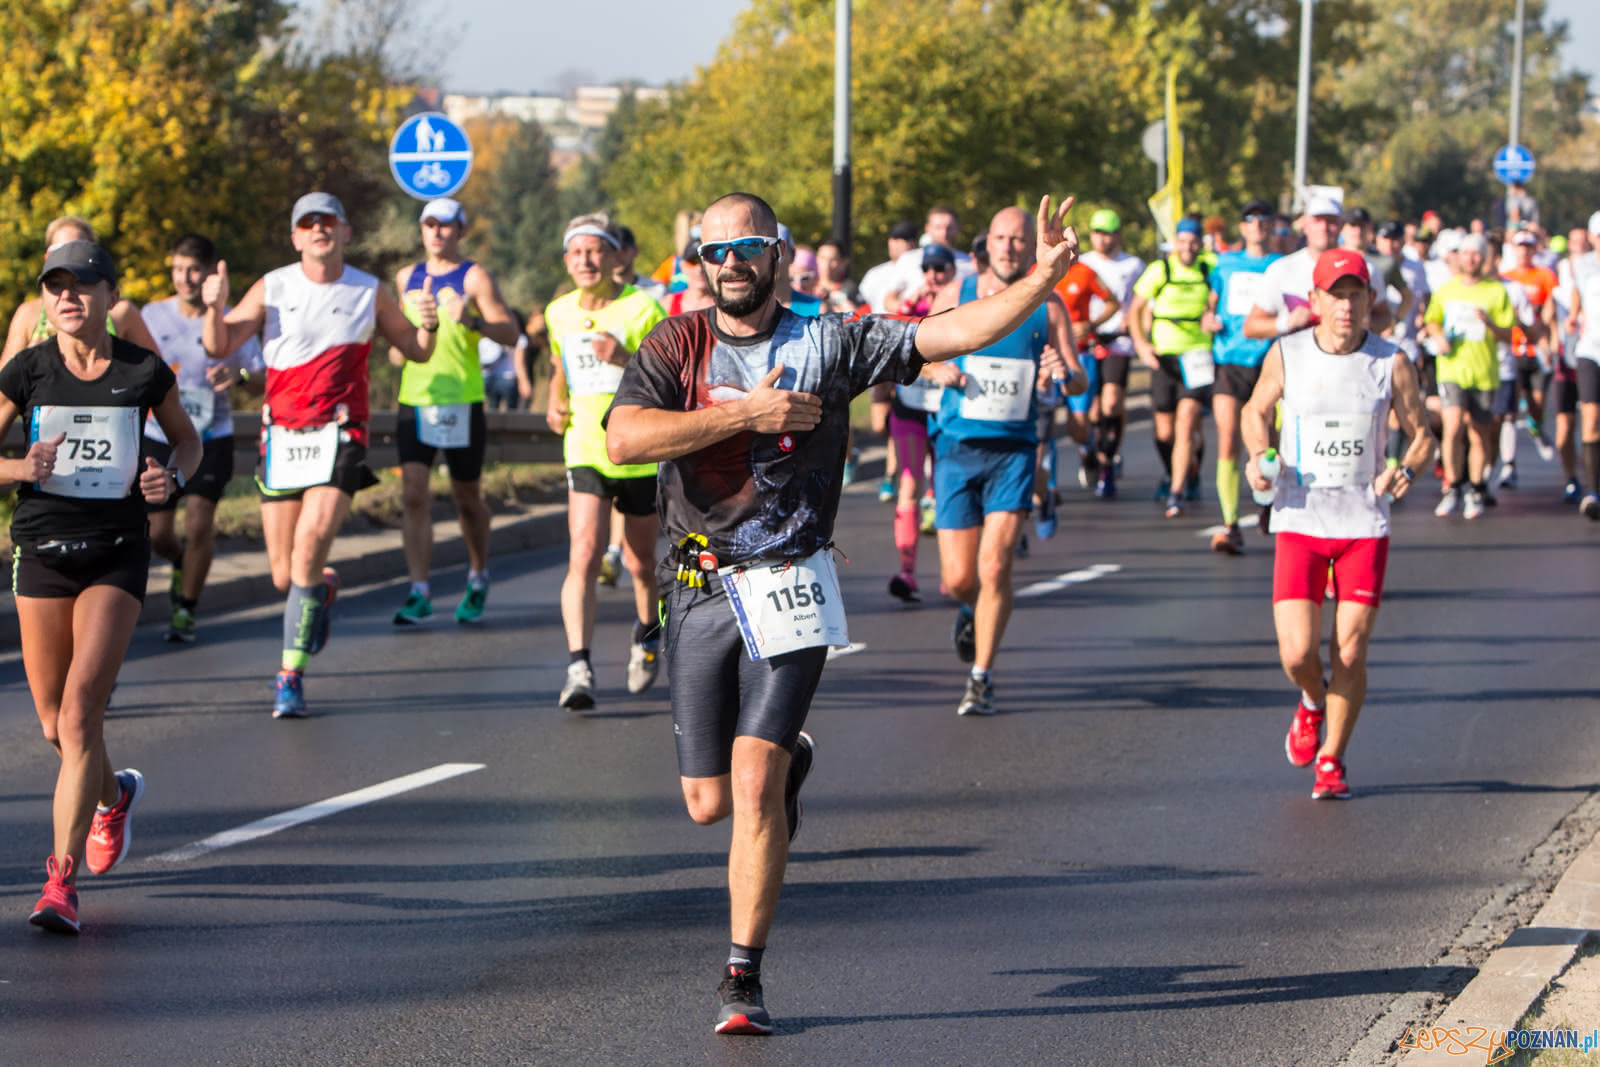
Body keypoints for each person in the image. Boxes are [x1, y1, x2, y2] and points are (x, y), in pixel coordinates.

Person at [604, 189, 1084, 1036]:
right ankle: (792, 764)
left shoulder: (830, 338)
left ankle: (741, 977)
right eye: (716, 252)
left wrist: (1042, 280)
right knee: (706, 803)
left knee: (753, 781)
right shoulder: (676, 341)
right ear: (698, 264)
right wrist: (750, 412)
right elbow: (625, 439)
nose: (732, 264)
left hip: (791, 576)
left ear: (778, 255)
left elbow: (953, 331)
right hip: (697, 579)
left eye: (749, 247)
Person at [2, 241, 201, 933]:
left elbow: (188, 440)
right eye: (55, 286)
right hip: (43, 551)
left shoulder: (141, 370)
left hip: (115, 551)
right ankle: (114, 793)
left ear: (106, 295)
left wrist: (167, 476)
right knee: (55, 724)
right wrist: (20, 466)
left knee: (83, 713)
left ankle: (60, 884)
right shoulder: (27, 369)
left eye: (80, 285)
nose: (66, 298)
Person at [201, 192, 439, 717]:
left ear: (345, 232)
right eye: (307, 224)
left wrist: (428, 323)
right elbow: (219, 346)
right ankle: (320, 592)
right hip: (281, 436)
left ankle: (290, 675)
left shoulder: (369, 291)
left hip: (340, 434)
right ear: (295, 236)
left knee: (310, 547)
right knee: (285, 576)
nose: (318, 231)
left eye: (327, 222)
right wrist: (214, 306)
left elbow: (418, 351)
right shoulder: (274, 285)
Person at [1241, 249, 1436, 799]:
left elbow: (1421, 434)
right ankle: (1310, 701)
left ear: (1370, 300)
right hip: (1300, 519)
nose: (1346, 306)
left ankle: (1333, 759)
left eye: (1356, 294)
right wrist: (1258, 455)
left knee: (1349, 650)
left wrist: (1408, 469)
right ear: (1316, 300)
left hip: (1363, 525)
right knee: (1298, 655)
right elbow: (1255, 410)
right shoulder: (1288, 353)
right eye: (1335, 294)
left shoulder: (1390, 361)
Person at [923, 205, 1082, 716]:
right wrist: (938, 369)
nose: (1011, 247)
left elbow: (1079, 379)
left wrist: (1062, 371)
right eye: (1002, 238)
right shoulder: (956, 295)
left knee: (995, 565)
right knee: (959, 578)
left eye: (1019, 239)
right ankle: (970, 609)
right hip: (956, 449)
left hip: (1014, 451)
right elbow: (918, 353)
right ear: (986, 243)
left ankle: (981, 675)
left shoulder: (1049, 307)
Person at [545, 213, 668, 709]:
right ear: (567, 261)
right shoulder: (559, 312)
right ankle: (579, 666)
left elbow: (670, 379)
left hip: (638, 448)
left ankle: (646, 637)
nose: (586, 261)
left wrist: (624, 359)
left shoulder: (643, 309)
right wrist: (556, 397)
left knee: (640, 563)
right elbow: (560, 364)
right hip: (585, 447)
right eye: (576, 253)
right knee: (584, 553)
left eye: (596, 251)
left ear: (617, 256)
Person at [389, 198, 520, 626]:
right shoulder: (406, 277)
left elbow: (511, 332)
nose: (437, 233)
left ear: (460, 231)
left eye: (445, 225)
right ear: (421, 230)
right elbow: (400, 337)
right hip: (415, 397)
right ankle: (419, 590)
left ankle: (478, 574)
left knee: (466, 500)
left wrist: (473, 322)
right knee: (413, 494)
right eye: (429, 224)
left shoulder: (475, 276)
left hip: (462, 399)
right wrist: (398, 348)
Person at [142, 234, 265, 643]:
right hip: (159, 435)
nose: (185, 278)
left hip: (213, 436)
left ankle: (185, 610)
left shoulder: (231, 318)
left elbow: (260, 377)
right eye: (177, 269)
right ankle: (180, 563)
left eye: (193, 270)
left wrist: (239, 375)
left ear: (211, 273)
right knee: (158, 533)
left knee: (199, 525)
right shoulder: (151, 316)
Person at [1127, 216, 1217, 516]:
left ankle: (1177, 490)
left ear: (1200, 243)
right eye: (1183, 241)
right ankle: (1173, 472)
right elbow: (1135, 309)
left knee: (1187, 423)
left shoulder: (1209, 268)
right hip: (1164, 356)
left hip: (1198, 355)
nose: (1188, 247)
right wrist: (1141, 344)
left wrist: (1214, 318)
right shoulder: (1160, 269)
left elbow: (1222, 299)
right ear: (1175, 242)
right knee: (1164, 432)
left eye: (1193, 241)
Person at [1422, 233, 1514, 519]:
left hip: (1484, 372)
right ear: (1460, 257)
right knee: (1451, 429)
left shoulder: (1496, 292)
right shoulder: (1446, 290)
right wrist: (1439, 338)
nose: (1471, 258)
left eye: (1477, 254)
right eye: (1467, 253)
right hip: (1452, 369)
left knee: (1479, 433)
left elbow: (1507, 334)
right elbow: (1431, 320)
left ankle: (1475, 487)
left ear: (1484, 257)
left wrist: (1488, 323)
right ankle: (1453, 487)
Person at [1207, 199, 1281, 551]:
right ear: (1242, 227)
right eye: (1250, 220)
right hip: (1229, 358)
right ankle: (1230, 524)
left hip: (1270, 362)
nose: (1257, 226)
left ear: (1272, 226)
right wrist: (1208, 320)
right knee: (1228, 437)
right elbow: (1210, 305)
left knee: (1269, 441)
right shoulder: (1225, 264)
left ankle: (1268, 502)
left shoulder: (1283, 266)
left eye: (1264, 220)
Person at [2, 216, 163, 365]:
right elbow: (4, 390)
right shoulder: (29, 314)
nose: (68, 258)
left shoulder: (121, 312)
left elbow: (160, 379)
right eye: (59, 250)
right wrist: (28, 364)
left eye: (80, 249)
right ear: (47, 257)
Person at [1078, 208, 1145, 498]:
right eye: (1097, 233)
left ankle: (1107, 462)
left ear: (1118, 235)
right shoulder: (1082, 263)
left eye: (1108, 233)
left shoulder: (1133, 265)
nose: (1102, 239)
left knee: (1112, 403)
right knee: (1089, 410)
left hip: (1117, 341)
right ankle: (1089, 448)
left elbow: (1142, 302)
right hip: (1086, 343)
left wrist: (1137, 324)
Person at [1052, 253, 1119, 490]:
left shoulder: (1085, 272)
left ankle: (1089, 448)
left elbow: (1113, 302)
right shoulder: (1036, 272)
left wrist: (1091, 326)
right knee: (1046, 423)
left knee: (1079, 423)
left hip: (1079, 355)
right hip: (1047, 357)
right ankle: (1049, 486)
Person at [1564, 211, 1600, 518]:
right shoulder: (1582, 266)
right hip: (1590, 349)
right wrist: (1573, 316)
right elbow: (1577, 294)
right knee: (1590, 419)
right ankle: (1592, 491)